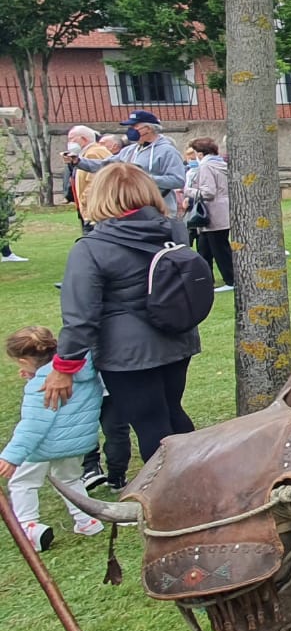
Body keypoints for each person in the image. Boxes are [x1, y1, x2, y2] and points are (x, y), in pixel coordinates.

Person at [48, 164, 197, 465]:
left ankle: (173, 501)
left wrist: (64, 367)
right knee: (173, 413)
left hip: (127, 355)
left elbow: (80, 316)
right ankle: (201, 480)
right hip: (176, 339)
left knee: (151, 426)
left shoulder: (91, 248)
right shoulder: (174, 229)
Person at [1, 327, 105, 551]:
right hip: (76, 442)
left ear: (24, 360)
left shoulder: (43, 384)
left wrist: (12, 456)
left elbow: (32, 426)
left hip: (44, 446)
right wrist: (34, 373)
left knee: (22, 482)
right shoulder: (84, 369)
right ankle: (87, 520)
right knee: (70, 480)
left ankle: (29, 527)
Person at [67, 110, 186, 221]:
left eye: (134, 126)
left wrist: (143, 178)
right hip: (130, 209)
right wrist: (78, 161)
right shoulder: (129, 151)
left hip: (160, 210)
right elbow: (105, 165)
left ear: (148, 128)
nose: (130, 130)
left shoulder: (167, 151)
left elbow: (178, 180)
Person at [183, 138, 234, 291]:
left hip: (213, 212)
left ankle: (231, 280)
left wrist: (188, 191)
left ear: (199, 153)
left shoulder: (205, 166)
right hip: (222, 209)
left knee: (219, 248)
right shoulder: (220, 164)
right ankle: (206, 280)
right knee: (205, 247)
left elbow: (208, 192)